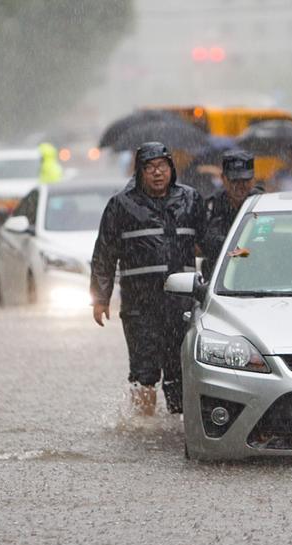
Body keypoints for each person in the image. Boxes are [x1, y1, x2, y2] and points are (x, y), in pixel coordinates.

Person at [90, 142, 204, 417]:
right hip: (140, 306)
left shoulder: (190, 200)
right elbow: (104, 252)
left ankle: (180, 425)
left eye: (162, 166)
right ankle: (144, 426)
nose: (156, 173)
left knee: (180, 369)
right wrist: (100, 297)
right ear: (139, 172)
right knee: (144, 371)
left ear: (171, 169)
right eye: (150, 167)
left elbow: (210, 245)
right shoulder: (121, 205)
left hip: (181, 305)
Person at [199, 150, 263, 280]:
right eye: (234, 181)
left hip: (257, 274)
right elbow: (204, 245)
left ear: (253, 179)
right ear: (223, 178)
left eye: (245, 180)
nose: (240, 186)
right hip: (219, 277)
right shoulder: (211, 207)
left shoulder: (263, 204)